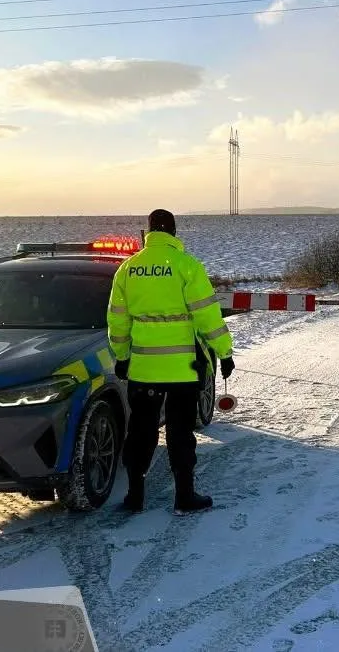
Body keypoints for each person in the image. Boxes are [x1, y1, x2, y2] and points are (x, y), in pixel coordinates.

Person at [107, 208, 235, 514]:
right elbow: (207, 316)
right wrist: (224, 352)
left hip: (144, 369)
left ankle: (134, 497)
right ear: (174, 232)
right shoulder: (186, 266)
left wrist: (122, 357)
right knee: (180, 432)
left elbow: (117, 321)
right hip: (183, 370)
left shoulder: (128, 269)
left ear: (148, 232)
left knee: (140, 432)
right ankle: (184, 496)